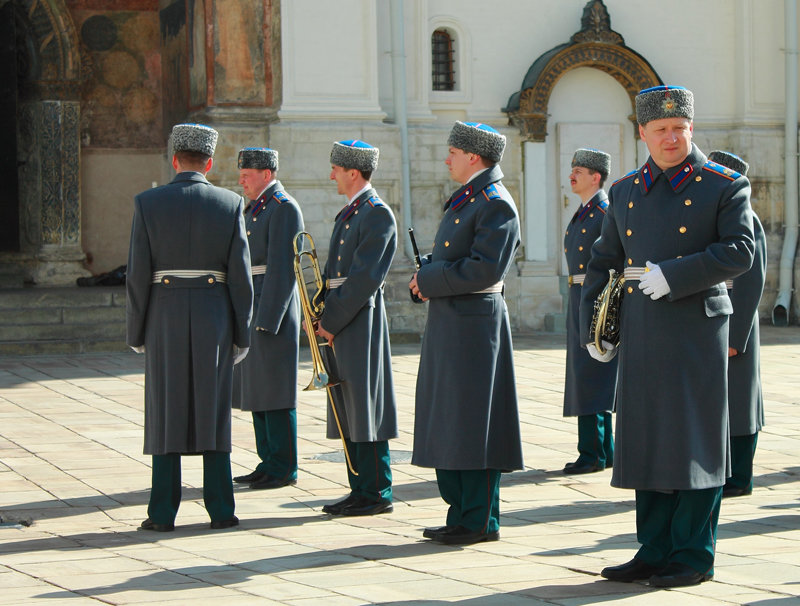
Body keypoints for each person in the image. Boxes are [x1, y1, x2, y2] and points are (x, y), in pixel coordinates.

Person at [579, 86, 754, 587]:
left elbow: (740, 249)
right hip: (641, 328)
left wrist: (675, 274)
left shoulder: (724, 185)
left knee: (693, 440)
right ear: (643, 133)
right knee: (647, 440)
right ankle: (653, 548)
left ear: (691, 129)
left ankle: (693, 554)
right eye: (660, 129)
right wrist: (596, 326)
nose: (671, 137)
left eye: (680, 128)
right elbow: (604, 260)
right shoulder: (628, 189)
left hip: (695, 328)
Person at [127, 123, 254, 531]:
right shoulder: (230, 203)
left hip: (163, 315)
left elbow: (137, 274)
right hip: (213, 314)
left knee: (166, 410)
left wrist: (136, 331)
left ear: (174, 160)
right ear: (210, 163)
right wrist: (242, 332)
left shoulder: (147, 203)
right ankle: (221, 510)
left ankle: (162, 513)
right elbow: (241, 277)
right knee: (213, 410)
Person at [410, 121, 524, 545]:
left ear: (472, 157)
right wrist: (429, 277)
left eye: (452, 152)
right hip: (454, 319)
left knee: (474, 422)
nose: (447, 159)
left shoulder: (494, 202)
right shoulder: (471, 198)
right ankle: (462, 513)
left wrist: (432, 277)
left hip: (475, 324)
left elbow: (484, 269)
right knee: (452, 419)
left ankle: (476, 518)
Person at [315, 139, 398, 517]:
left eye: (336, 168)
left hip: (359, 319)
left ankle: (376, 490)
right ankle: (358, 486)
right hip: (343, 318)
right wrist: (319, 312)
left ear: (353, 172)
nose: (331, 174)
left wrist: (330, 322)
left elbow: (364, 279)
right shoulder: (353, 212)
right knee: (348, 404)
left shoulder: (376, 214)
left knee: (366, 405)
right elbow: (335, 275)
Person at [232, 147, 304, 490]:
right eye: (241, 175)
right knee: (257, 389)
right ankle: (267, 460)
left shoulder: (283, 208)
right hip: (253, 306)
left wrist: (268, 318)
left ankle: (283, 465)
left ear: (267, 174)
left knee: (275, 392)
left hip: (271, 310)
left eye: (248, 175)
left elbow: (282, 270)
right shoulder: (256, 209)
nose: (242, 181)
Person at [707, 150, 767, 499]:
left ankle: (741, 476)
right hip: (717, 315)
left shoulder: (749, 219)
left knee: (742, 401)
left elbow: (751, 281)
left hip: (736, 320)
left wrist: (738, 336)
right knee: (724, 401)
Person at [562, 148, 616, 475]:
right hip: (578, 295)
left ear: (596, 177)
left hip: (593, 298)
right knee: (587, 373)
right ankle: (603, 450)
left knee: (592, 374)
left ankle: (592, 452)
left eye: (579, 170)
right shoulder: (584, 211)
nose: (572, 174)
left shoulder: (604, 212)